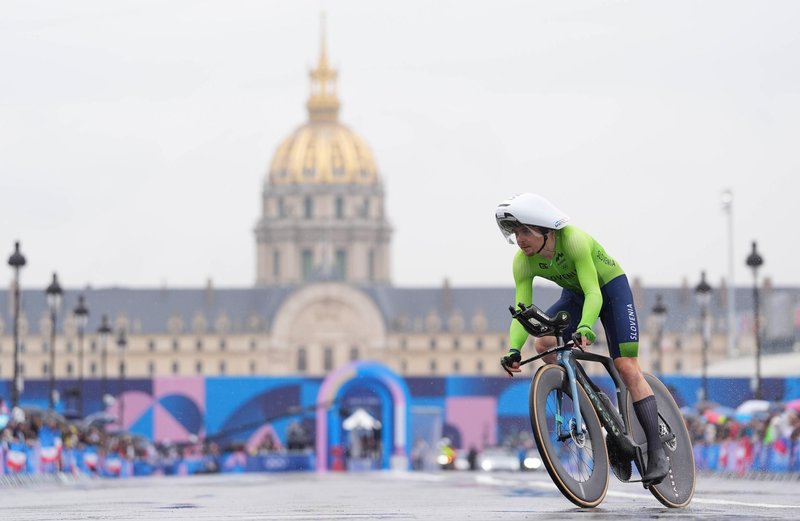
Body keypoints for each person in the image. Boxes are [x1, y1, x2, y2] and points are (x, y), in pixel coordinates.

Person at [495, 192, 668, 484]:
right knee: (544, 344)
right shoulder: (522, 262)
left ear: (544, 230)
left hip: (609, 289)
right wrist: (513, 349)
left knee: (626, 365)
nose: (519, 239)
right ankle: (596, 405)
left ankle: (657, 449)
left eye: (525, 231)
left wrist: (587, 327)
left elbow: (593, 292)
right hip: (575, 295)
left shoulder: (572, 240)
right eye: (515, 232)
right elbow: (522, 313)